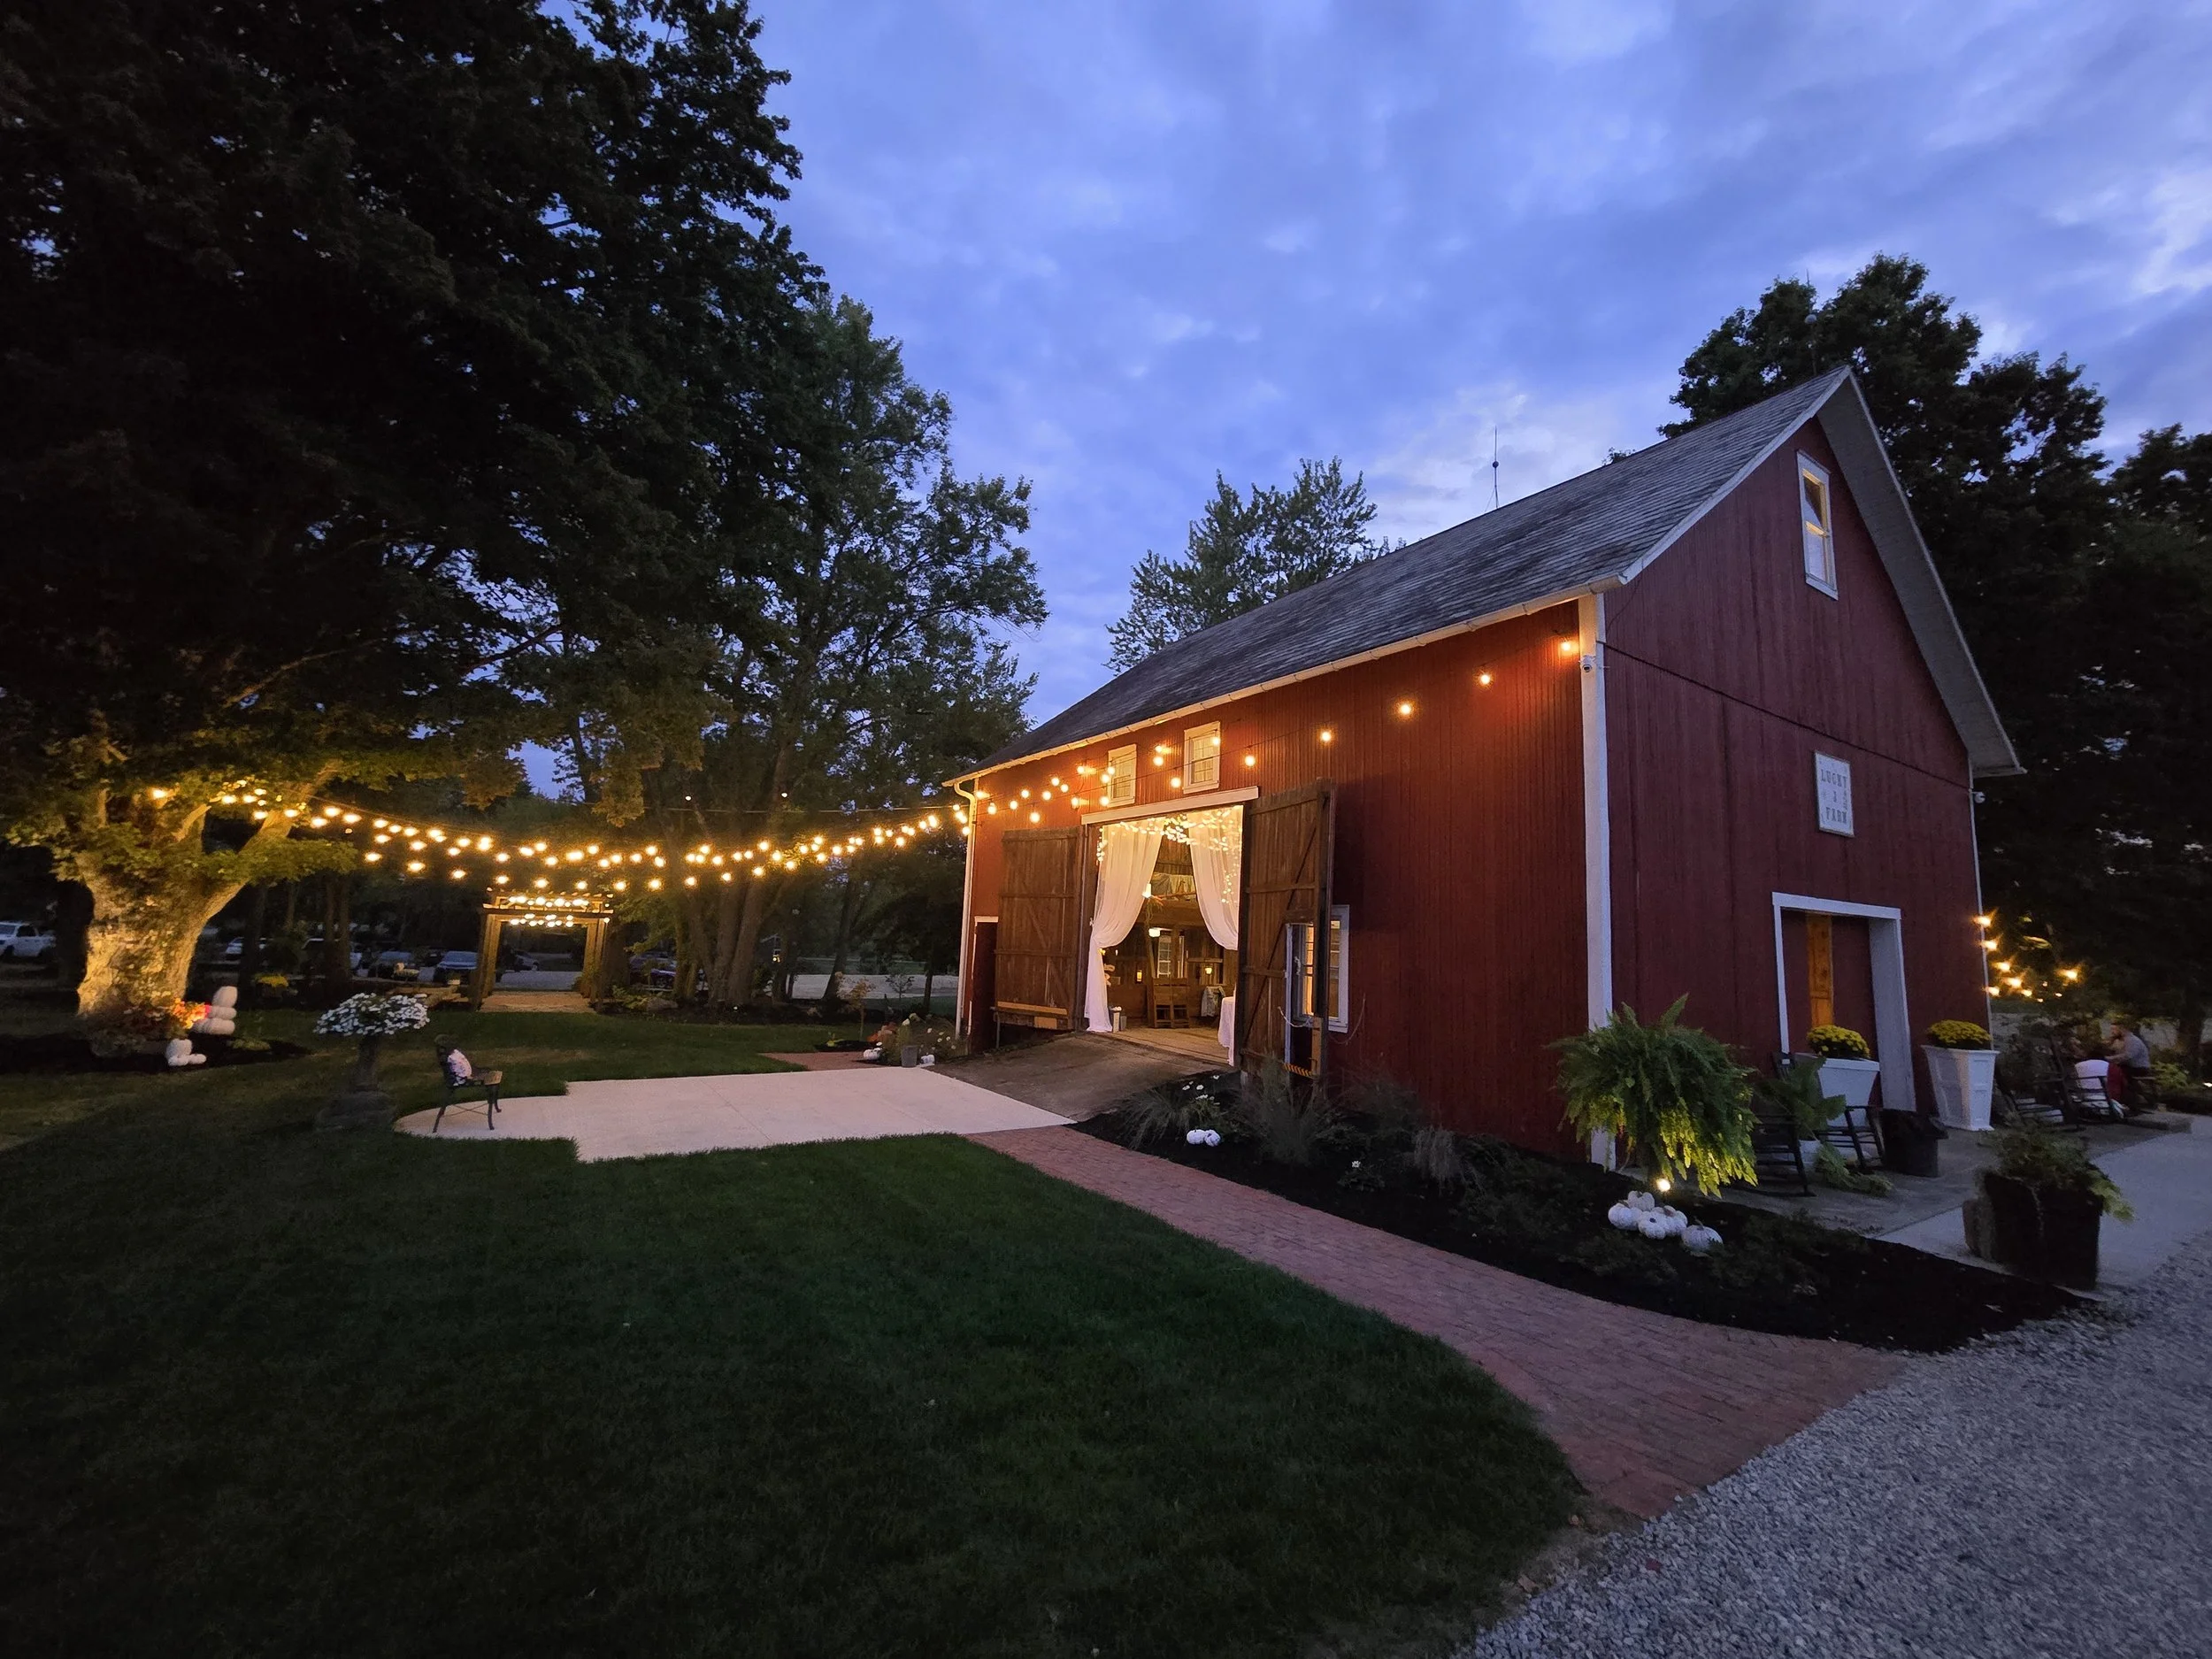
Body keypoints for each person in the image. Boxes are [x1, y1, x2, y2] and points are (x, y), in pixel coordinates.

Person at [2108, 1021, 2154, 1106]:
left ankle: (2131, 1098)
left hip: (2139, 1068)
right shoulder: (2120, 1041)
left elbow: (2128, 1056)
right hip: (2129, 1066)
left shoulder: (2132, 1040)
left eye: (2114, 1029)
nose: (2112, 1032)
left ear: (2122, 1029)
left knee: (2119, 1073)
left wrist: (2110, 1058)